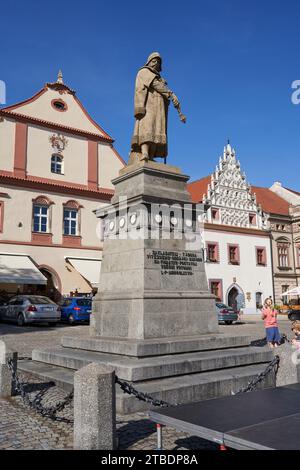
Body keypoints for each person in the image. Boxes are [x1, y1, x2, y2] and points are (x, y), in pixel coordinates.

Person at [131, 52, 184, 162]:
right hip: (148, 105)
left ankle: (150, 156)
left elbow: (160, 86)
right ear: (149, 62)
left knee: (157, 129)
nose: (156, 63)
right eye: (154, 61)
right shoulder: (144, 72)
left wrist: (168, 96)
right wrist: (170, 93)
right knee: (148, 127)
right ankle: (144, 152)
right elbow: (156, 85)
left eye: (158, 62)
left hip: (159, 107)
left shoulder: (160, 79)